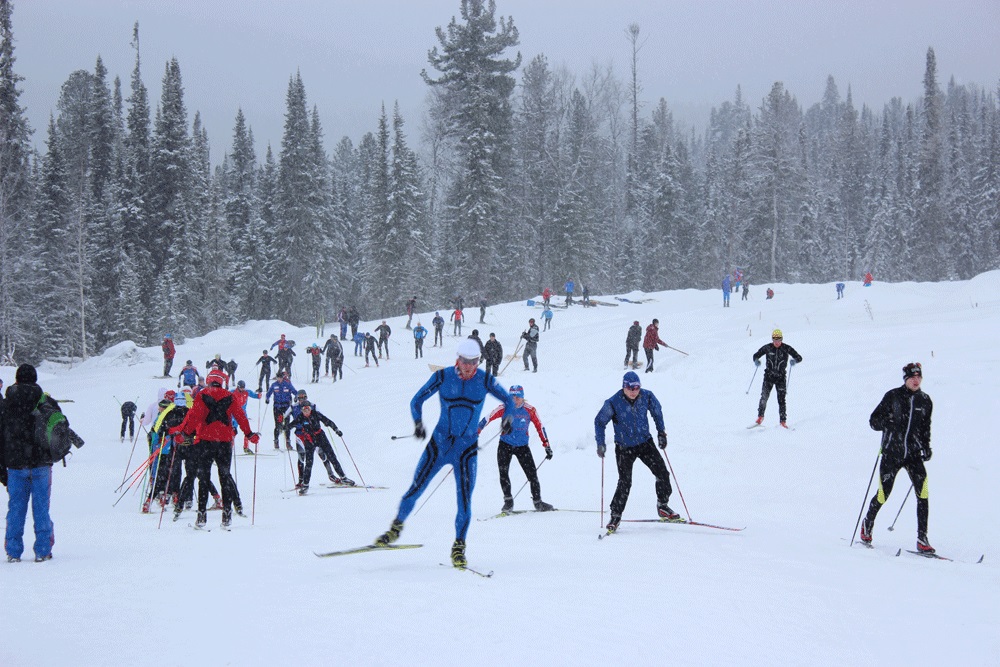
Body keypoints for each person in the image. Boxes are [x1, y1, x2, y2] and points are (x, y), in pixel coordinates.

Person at [372, 339, 515, 568]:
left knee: (464, 501)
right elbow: (416, 400)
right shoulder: (442, 377)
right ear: (457, 359)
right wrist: (418, 423)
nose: (469, 366)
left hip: (466, 449)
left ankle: (459, 546)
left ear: (479, 362)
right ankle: (395, 529)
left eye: (474, 362)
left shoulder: (485, 380)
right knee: (416, 488)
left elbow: (509, 400)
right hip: (439, 445)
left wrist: (508, 418)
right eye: (465, 361)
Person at [1, 364, 82, 562]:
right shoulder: (46, 401)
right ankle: (43, 550)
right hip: (41, 464)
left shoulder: (6, 404)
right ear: (35, 379)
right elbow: (60, 428)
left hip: (15, 465)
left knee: (16, 509)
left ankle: (13, 551)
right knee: (41, 508)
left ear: (17, 380)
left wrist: (3, 467)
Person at [860, 363, 935, 553]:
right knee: (884, 493)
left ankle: (922, 538)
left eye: (919, 377)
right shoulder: (892, 396)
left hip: (913, 455)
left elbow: (925, 429)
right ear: (905, 379)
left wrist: (926, 448)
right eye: (912, 377)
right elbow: (873, 421)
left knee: (923, 492)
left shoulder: (925, 401)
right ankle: (868, 523)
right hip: (892, 454)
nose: (916, 380)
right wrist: (888, 422)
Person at [173, 369, 259, 528]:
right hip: (224, 441)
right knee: (225, 476)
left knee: (204, 478)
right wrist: (249, 434)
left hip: (206, 441)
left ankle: (201, 516)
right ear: (222, 381)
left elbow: (194, 417)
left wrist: (185, 434)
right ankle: (227, 515)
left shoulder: (201, 395)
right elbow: (240, 416)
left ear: (209, 379)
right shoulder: (230, 396)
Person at [594, 371, 676, 533]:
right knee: (625, 482)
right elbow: (599, 422)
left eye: (637, 387)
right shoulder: (613, 402)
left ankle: (662, 505)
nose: (633, 391)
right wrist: (601, 443)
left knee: (662, 473)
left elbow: (657, 412)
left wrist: (661, 433)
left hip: (645, 443)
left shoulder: (647, 396)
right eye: (630, 388)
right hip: (624, 448)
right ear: (624, 387)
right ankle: (615, 515)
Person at [478, 384, 553, 513]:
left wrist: (546, 445)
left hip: (522, 447)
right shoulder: (504, 408)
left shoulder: (530, 410)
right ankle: (508, 502)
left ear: (523, 398)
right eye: (512, 396)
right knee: (503, 474)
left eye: (517, 397)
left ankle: (538, 502)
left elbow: (540, 427)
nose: (515, 400)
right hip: (505, 445)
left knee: (532, 475)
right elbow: (486, 418)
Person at [288, 400, 353, 494]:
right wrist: (284, 428)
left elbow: (328, 421)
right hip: (309, 440)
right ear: (302, 410)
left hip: (320, 437)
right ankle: (305, 485)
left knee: (332, 457)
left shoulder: (316, 414)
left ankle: (343, 477)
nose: (307, 411)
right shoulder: (300, 417)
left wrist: (336, 430)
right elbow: (291, 425)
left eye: (308, 408)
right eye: (304, 409)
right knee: (309, 464)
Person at [752, 329, 803, 427]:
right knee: (764, 397)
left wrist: (795, 360)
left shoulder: (786, 348)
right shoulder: (767, 348)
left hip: (781, 378)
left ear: (781, 339)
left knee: (781, 400)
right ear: (772, 340)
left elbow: (799, 357)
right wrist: (756, 360)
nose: (776, 343)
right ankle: (760, 417)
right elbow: (756, 355)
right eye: (774, 340)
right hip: (768, 377)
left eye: (778, 340)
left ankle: (783, 422)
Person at [265, 371, 297, 450]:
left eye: (280, 378)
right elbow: (268, 393)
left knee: (287, 425)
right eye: (278, 378)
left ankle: (288, 442)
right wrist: (267, 399)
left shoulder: (287, 384)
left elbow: (295, 392)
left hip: (286, 407)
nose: (279, 379)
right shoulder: (274, 385)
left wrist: (296, 397)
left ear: (283, 377)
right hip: (277, 407)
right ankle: (276, 441)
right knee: (277, 424)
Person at [232, 381, 261, 454]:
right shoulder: (232, 392)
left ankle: (246, 447)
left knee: (247, 431)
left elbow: (255, 395)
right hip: (234, 415)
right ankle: (229, 447)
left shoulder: (247, 392)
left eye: (243, 388)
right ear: (238, 387)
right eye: (241, 388)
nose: (242, 389)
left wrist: (259, 394)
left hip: (243, 415)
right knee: (233, 431)